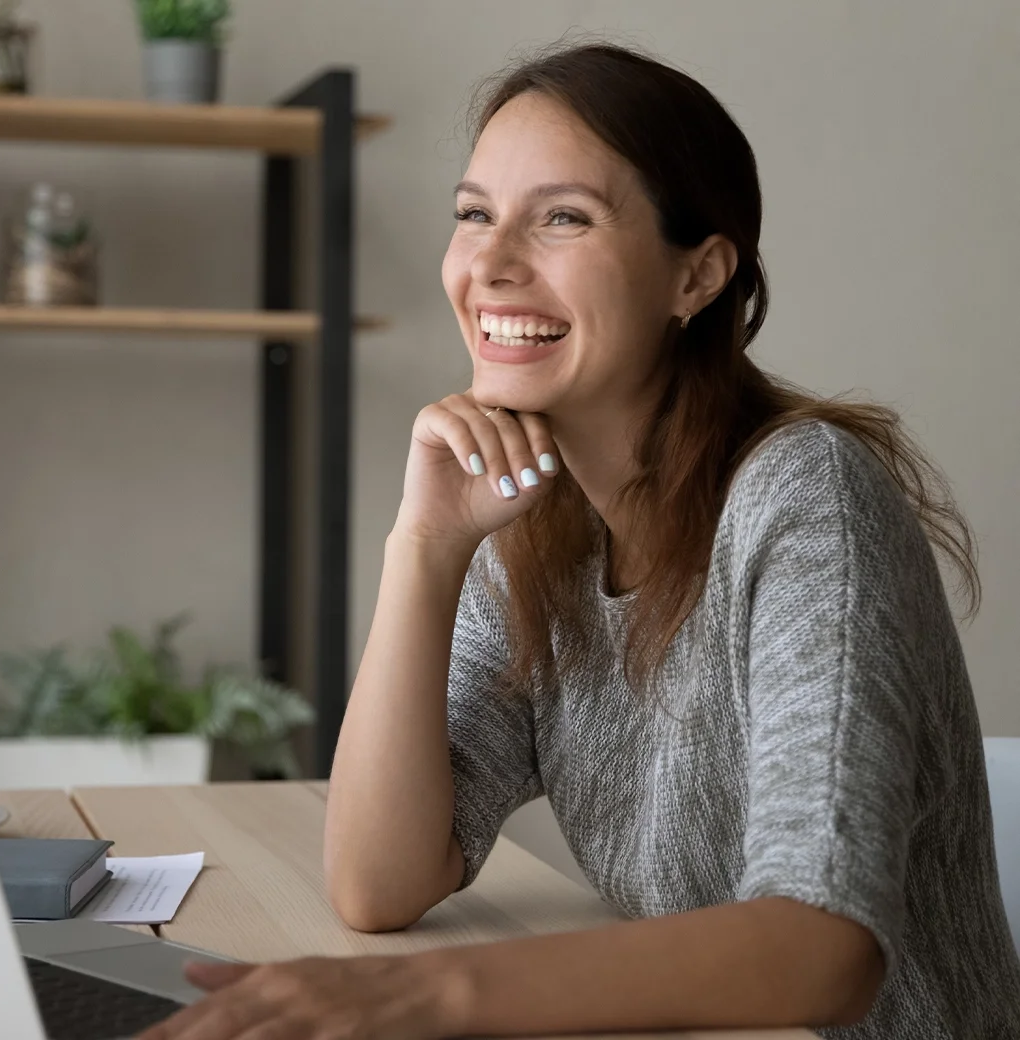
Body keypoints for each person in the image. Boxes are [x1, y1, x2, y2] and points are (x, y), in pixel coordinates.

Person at [142, 42, 1020, 1040]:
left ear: (696, 274)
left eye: (563, 217)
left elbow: (823, 946)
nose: (492, 264)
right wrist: (423, 545)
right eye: (474, 213)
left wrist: (423, 996)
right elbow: (378, 879)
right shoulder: (528, 529)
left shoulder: (803, 496)